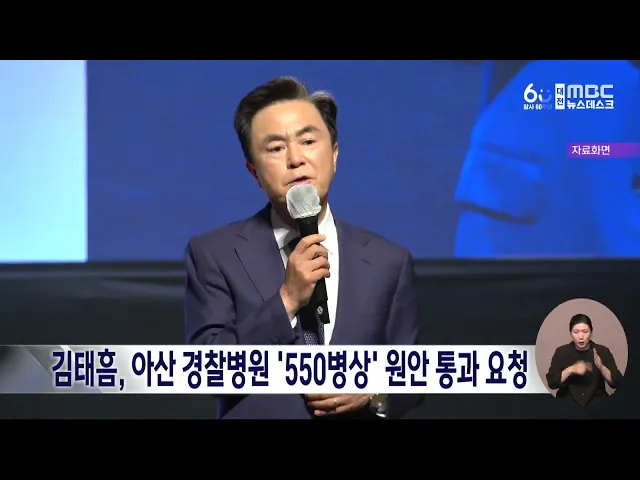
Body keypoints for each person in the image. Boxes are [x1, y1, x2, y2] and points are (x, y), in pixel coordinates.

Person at [183, 76, 423, 419]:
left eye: (308, 141)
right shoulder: (214, 254)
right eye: (276, 148)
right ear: (254, 172)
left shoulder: (389, 261)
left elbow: (414, 375)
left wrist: (373, 392)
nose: (296, 159)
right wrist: (287, 300)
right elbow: (207, 371)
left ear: (334, 154)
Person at [545, 313, 623, 407]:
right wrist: (571, 369)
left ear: (591, 332)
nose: (581, 336)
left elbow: (616, 383)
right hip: (567, 404)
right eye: (576, 332)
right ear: (571, 333)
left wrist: (601, 367)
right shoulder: (561, 352)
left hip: (597, 405)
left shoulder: (602, 351)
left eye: (585, 332)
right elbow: (552, 383)